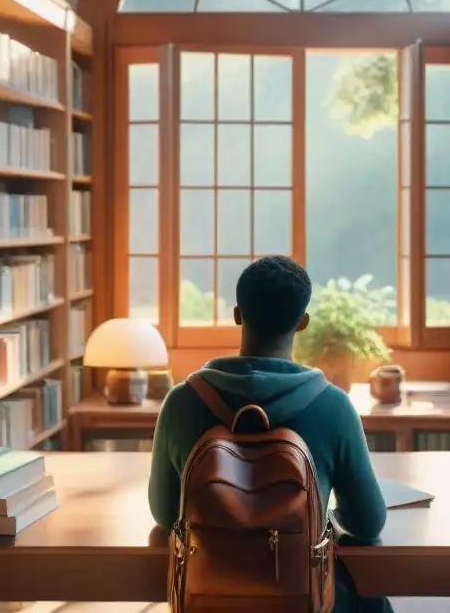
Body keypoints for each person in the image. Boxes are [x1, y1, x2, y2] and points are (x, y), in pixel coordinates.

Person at [148, 255, 389, 612]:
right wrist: (321, 513)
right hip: (302, 599)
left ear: (237, 314)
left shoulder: (182, 401)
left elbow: (165, 514)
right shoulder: (334, 405)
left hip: (209, 597)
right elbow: (368, 524)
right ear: (303, 322)